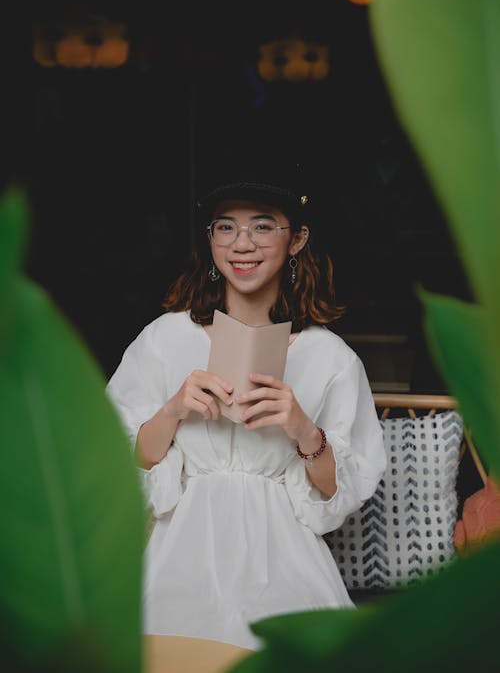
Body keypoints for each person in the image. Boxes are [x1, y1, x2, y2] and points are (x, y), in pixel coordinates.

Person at [105, 176, 387, 651]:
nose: (242, 244)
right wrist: (174, 409)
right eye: (226, 227)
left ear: (296, 239)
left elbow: (340, 490)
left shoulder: (331, 358)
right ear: (210, 239)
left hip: (282, 553)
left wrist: (301, 428)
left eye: (262, 226)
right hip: (182, 547)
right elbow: (121, 459)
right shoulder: (166, 339)